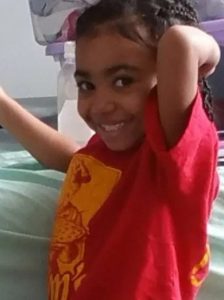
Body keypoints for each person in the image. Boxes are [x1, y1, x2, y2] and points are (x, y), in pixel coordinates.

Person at [0, 0, 221, 299]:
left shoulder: (173, 158)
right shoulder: (106, 156)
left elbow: (179, 42)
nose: (101, 105)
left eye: (122, 81)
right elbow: (72, 159)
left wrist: (209, 52)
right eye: (87, 85)